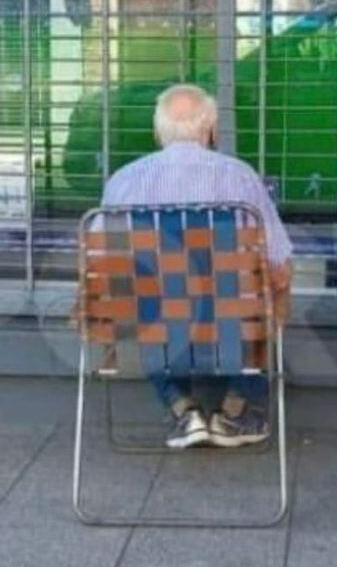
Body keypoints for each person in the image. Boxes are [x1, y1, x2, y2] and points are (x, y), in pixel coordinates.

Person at [100, 84, 293, 449]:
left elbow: (105, 269)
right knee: (271, 290)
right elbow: (279, 264)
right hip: (230, 328)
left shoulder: (123, 181)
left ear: (158, 132)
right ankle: (234, 410)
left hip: (153, 328)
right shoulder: (239, 177)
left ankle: (181, 408)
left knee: (135, 298)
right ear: (211, 130)